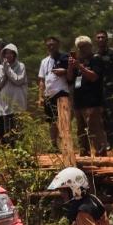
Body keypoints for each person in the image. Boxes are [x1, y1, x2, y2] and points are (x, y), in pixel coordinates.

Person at [37, 36, 75, 166]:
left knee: (63, 120)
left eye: (53, 44)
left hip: (61, 92)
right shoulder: (44, 61)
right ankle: (53, 145)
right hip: (49, 94)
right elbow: (42, 80)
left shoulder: (64, 57)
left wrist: (64, 71)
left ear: (58, 45)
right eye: (48, 45)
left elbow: (71, 76)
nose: (51, 47)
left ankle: (66, 145)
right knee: (51, 121)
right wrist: (40, 96)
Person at [69, 36, 107, 157]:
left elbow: (94, 76)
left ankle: (101, 155)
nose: (82, 49)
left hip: (92, 102)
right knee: (81, 132)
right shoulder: (77, 62)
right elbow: (70, 79)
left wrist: (80, 66)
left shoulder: (96, 59)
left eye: (84, 46)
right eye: (79, 47)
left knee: (94, 130)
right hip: (79, 102)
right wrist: (71, 66)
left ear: (90, 46)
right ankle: (84, 155)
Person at [0, 43, 27, 146]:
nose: (8, 55)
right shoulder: (0, 67)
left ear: (15, 55)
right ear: (3, 55)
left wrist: (8, 70)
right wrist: (4, 70)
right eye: (6, 53)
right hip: (5, 105)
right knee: (8, 133)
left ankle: (22, 155)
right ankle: (12, 156)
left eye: (11, 53)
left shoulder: (21, 66)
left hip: (18, 104)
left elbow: (18, 80)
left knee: (19, 133)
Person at [94, 30, 113, 149]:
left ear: (107, 39)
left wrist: (110, 80)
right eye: (99, 37)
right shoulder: (94, 55)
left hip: (111, 91)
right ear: (96, 40)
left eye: (103, 37)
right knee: (102, 117)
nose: (101, 39)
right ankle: (105, 142)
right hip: (97, 91)